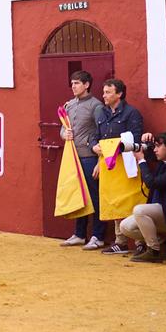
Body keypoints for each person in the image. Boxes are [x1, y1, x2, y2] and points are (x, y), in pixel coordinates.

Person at [94, 78, 147, 255]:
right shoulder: (102, 113)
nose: (104, 96)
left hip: (127, 162)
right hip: (109, 164)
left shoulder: (132, 113)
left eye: (108, 92)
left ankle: (141, 241)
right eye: (104, 92)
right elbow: (96, 136)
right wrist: (94, 147)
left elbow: (136, 139)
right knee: (115, 200)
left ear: (119, 94)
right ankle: (121, 241)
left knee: (132, 200)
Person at [58, 70, 110, 249]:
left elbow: (102, 133)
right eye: (72, 83)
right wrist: (65, 134)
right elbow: (62, 129)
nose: (73, 86)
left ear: (87, 85)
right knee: (77, 195)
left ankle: (98, 236)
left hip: (90, 158)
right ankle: (80, 234)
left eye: (77, 83)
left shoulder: (96, 106)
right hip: (73, 157)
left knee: (95, 197)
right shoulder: (69, 105)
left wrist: (99, 161)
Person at [122, 132, 166, 263]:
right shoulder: (162, 162)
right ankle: (163, 244)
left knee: (139, 210)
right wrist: (146, 138)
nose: (155, 150)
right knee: (125, 226)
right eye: (154, 146)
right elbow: (152, 155)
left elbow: (152, 183)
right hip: (159, 215)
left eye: (158, 146)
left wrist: (141, 160)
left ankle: (153, 250)